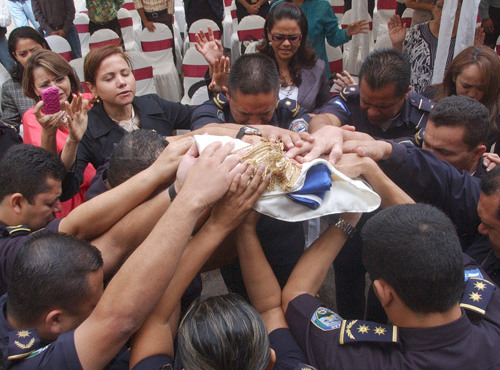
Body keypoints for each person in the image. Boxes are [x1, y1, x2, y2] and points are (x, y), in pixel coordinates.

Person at [0, 141, 254, 368]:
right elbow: (119, 318)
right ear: (55, 321)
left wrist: (177, 190)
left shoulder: (24, 304)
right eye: (96, 303)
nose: (110, 295)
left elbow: (115, 242)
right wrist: (196, 203)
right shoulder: (36, 363)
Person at [282, 203, 500, 369]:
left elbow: (296, 293)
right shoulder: (491, 307)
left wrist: (347, 219)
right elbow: (429, 231)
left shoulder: (361, 359)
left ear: (383, 293)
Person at [0, 139, 193, 295]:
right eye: (50, 203)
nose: (58, 208)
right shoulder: (6, 251)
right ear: (17, 202)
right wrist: (164, 180)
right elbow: (79, 229)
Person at [62, 45, 194, 200]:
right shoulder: (88, 126)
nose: (121, 82)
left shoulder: (153, 104)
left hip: (175, 194)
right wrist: (72, 141)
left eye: (125, 74)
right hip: (131, 207)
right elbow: (66, 190)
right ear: (93, 88)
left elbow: (196, 115)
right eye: (109, 79)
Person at [197, 4, 331, 112]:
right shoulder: (252, 66)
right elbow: (233, 107)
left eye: (293, 38)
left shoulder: (317, 68)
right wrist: (216, 67)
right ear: (268, 34)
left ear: (302, 37)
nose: (286, 43)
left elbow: (325, 111)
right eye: (279, 37)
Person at [21, 49, 96, 217]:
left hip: (105, 187)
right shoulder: (33, 118)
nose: (55, 88)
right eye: (45, 85)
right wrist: (49, 131)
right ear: (34, 89)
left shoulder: (88, 101)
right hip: (70, 202)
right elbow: (47, 170)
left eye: (59, 79)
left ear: (69, 77)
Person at [271, 0, 369, 78]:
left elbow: (334, 39)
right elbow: (270, 38)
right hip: (283, 71)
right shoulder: (278, 6)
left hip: (315, 72)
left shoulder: (322, 6)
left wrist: (347, 32)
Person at [428, 46, 500, 152]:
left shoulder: (497, 115)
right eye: (466, 86)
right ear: (454, 77)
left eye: (480, 89)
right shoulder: (430, 98)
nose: (472, 94)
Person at [387, 0, 461, 93]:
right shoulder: (416, 33)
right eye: (440, 7)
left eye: (453, 8)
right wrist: (397, 45)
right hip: (417, 100)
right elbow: (399, 68)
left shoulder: (463, 40)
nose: (445, 12)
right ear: (433, 7)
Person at [422, 95, 491, 177]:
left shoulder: (489, 186)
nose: (427, 159)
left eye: (444, 152)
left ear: (477, 153)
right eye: (426, 144)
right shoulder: (408, 160)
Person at [2, 26, 48, 130]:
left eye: (34, 50)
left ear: (43, 46)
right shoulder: (11, 88)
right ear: (15, 56)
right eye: (23, 54)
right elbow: (9, 127)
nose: (30, 57)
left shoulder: (64, 74)